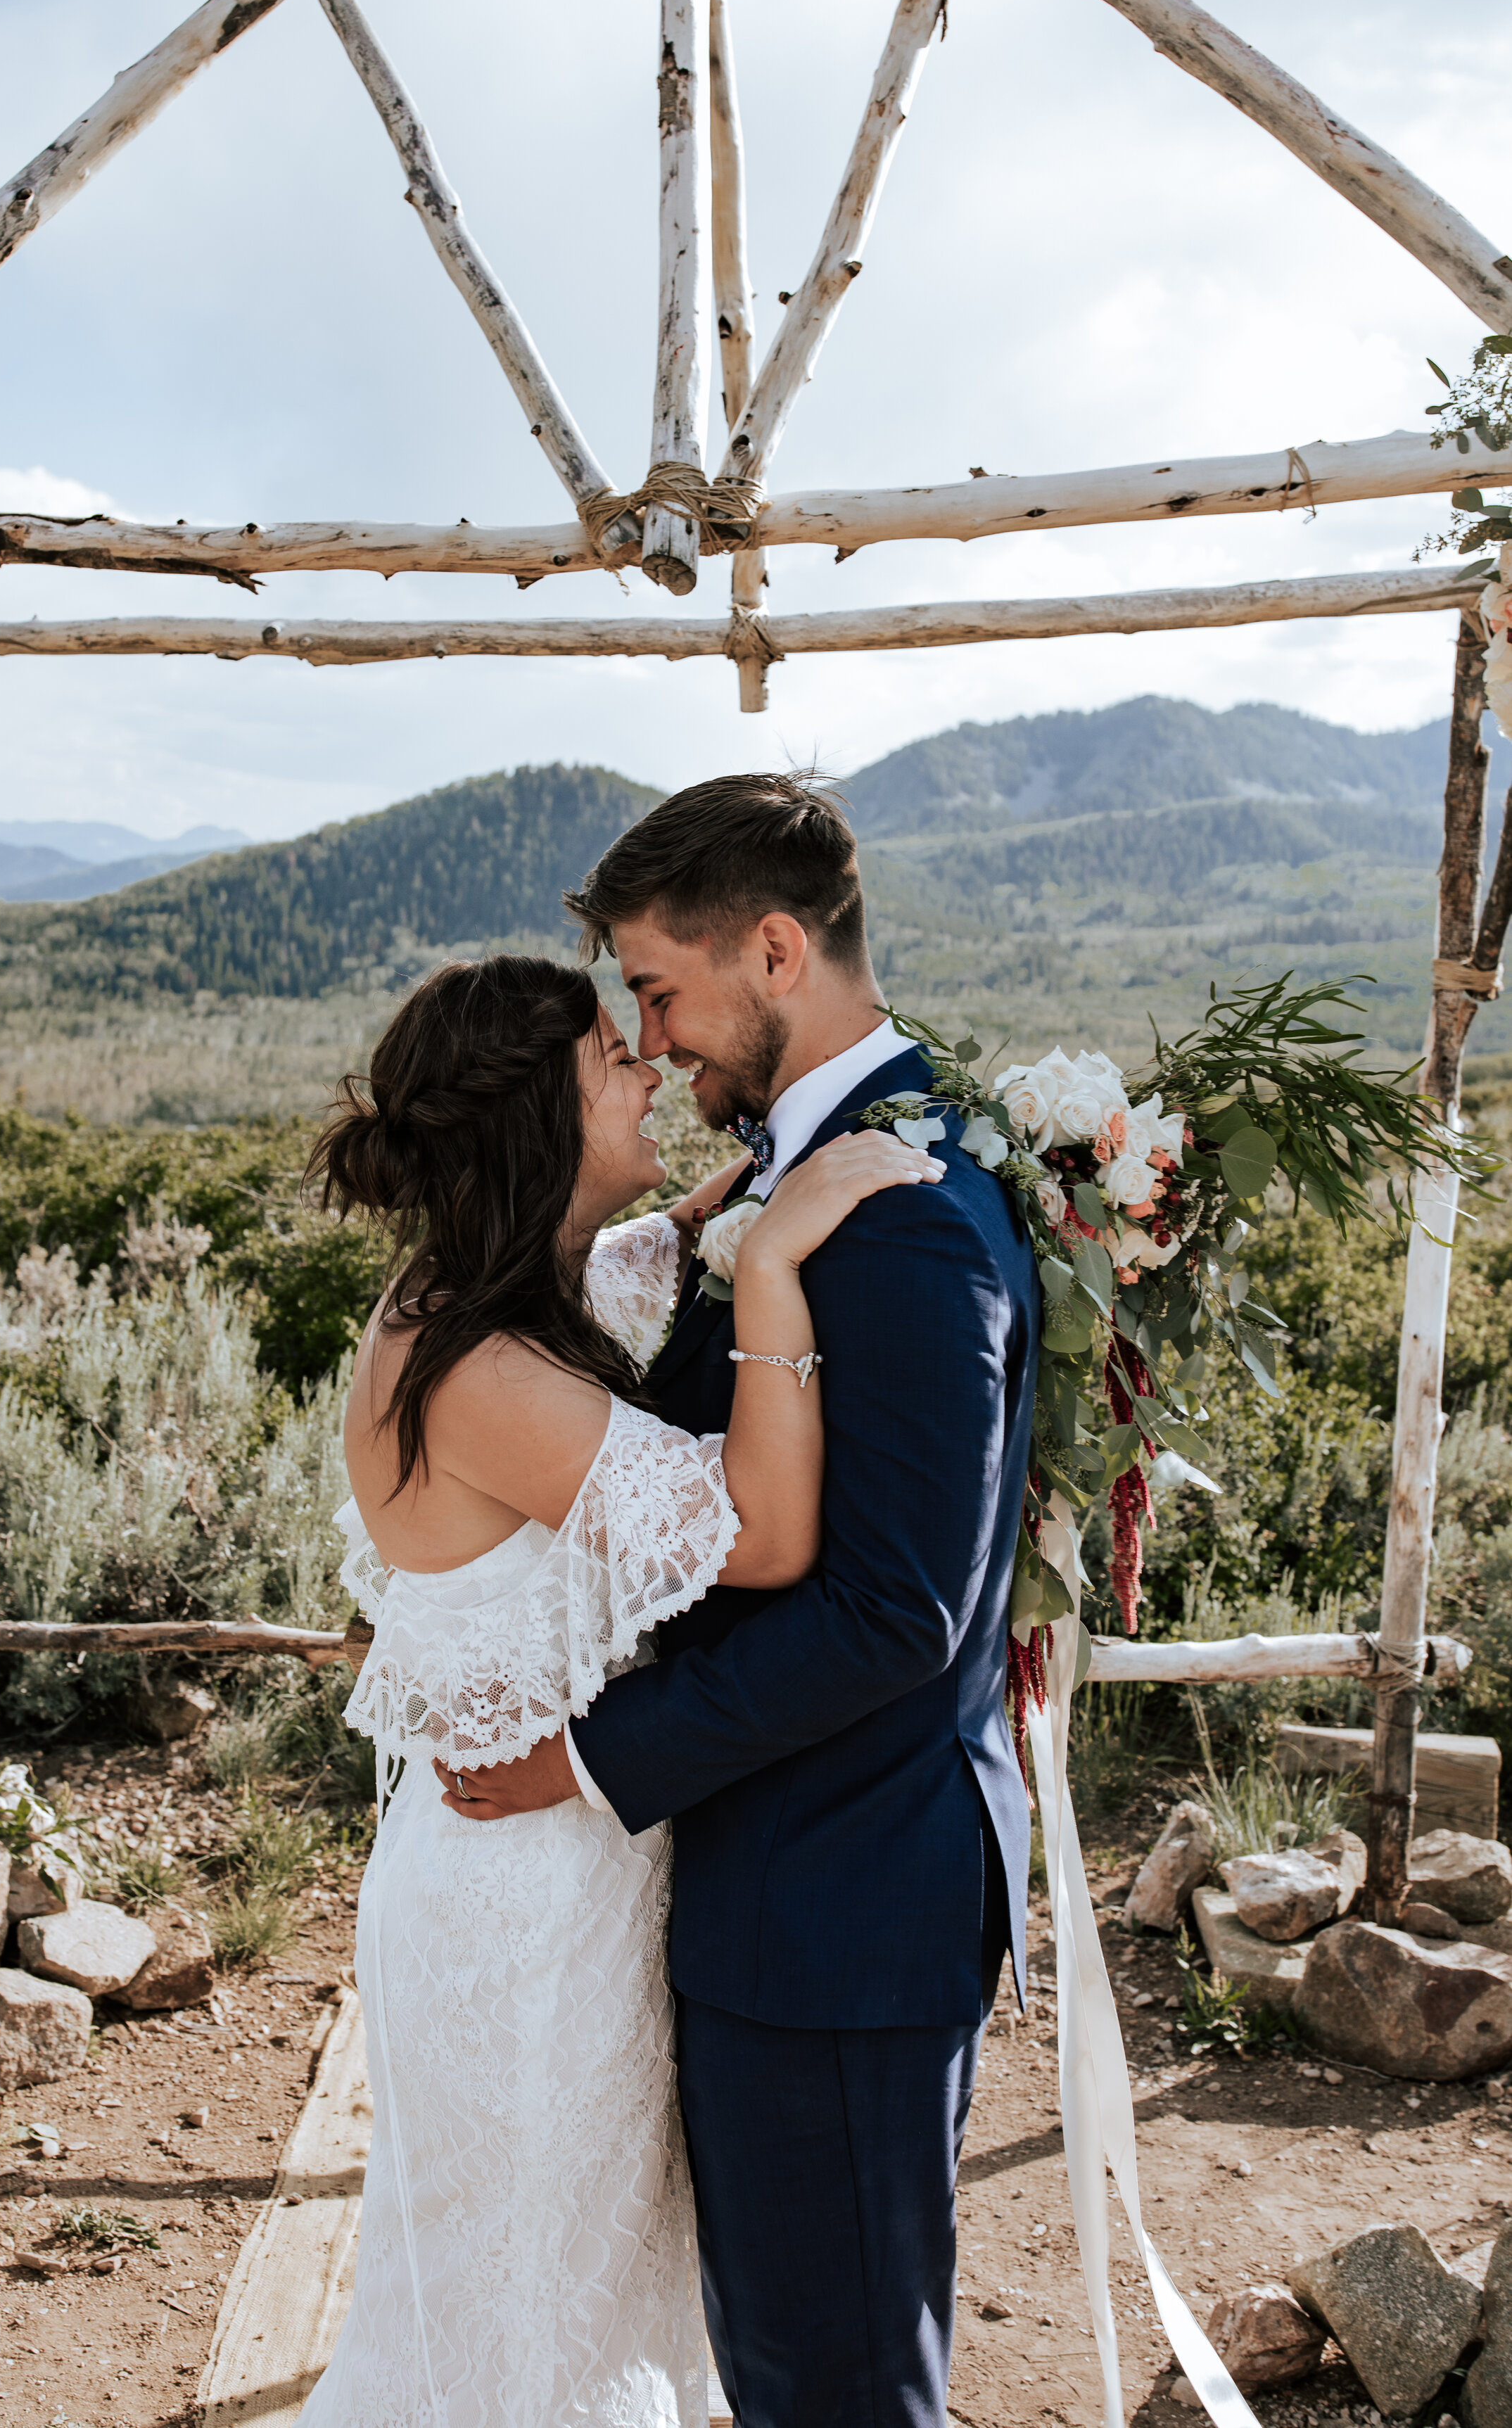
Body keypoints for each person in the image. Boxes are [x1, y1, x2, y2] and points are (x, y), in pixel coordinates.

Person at [445, 774, 1043, 2428]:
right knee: (785, 2367)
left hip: (836, 1910)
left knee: (834, 2392)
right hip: (792, 1894)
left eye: (658, 990)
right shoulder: (811, 1178)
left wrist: (589, 1757)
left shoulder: (899, 1220)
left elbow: (892, 1612)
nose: (650, 1041)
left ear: (774, 949)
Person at [293, 951, 939, 2428]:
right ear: (540, 1111)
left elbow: (635, 1263)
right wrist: (773, 1264)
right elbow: (767, 1537)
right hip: (517, 1917)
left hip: (552, 1870)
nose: (648, 1064)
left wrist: (719, 1215)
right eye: (611, 1052)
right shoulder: (477, 1370)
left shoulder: (502, 1291)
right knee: (519, 2332)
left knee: (558, 2299)